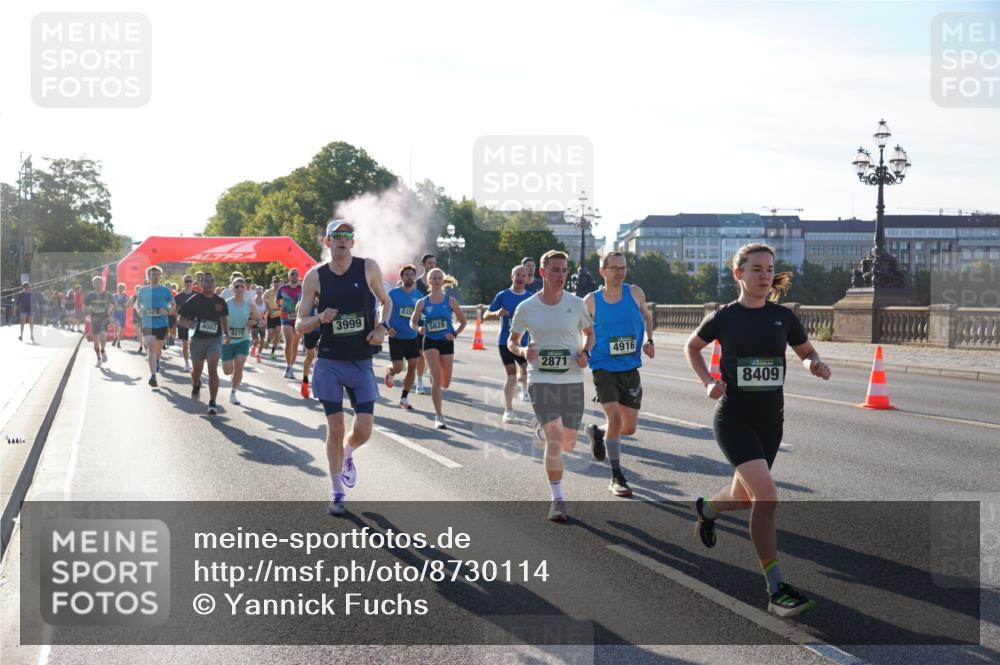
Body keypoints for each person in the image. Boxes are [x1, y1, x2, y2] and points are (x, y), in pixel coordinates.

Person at [684, 242, 831, 618]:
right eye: (756, 269)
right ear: (739, 274)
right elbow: (692, 346)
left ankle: (707, 509)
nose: (764, 276)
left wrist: (815, 363)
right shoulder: (725, 316)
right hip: (733, 418)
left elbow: (806, 352)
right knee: (767, 497)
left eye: (769, 269)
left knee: (746, 497)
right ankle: (776, 588)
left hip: (771, 421)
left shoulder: (783, 316)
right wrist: (707, 381)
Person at [296, 219, 390, 517]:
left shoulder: (368, 267)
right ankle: (337, 492)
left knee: (362, 431)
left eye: (348, 235)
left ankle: (348, 453)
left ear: (353, 241)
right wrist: (320, 317)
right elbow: (300, 323)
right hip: (329, 361)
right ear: (327, 242)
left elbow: (386, 302)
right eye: (337, 235)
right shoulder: (315, 277)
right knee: (335, 428)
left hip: (361, 360)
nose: (342, 240)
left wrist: (382, 328)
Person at [508, 250, 594, 522]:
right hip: (540, 379)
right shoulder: (527, 307)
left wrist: (586, 353)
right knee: (555, 441)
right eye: (555, 270)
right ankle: (557, 500)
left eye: (565, 270)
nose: (561, 275)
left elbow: (590, 334)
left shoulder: (577, 304)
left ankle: (553, 431)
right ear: (543, 273)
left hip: (571, 380)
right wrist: (522, 352)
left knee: (567, 442)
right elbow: (512, 340)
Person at [582, 252, 656, 498]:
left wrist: (649, 340)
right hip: (603, 367)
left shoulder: (635, 292)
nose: (619, 272)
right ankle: (617, 477)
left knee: (628, 428)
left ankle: (597, 432)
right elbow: (581, 330)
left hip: (630, 368)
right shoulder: (591, 301)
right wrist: (584, 351)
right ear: (602, 271)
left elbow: (647, 316)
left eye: (622, 267)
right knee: (615, 420)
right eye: (613, 268)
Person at [409, 268, 467, 429]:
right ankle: (439, 416)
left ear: (443, 281)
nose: (436, 280)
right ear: (429, 281)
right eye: (433, 277)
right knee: (436, 379)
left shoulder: (450, 301)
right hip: (430, 342)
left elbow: (463, 322)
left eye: (439, 278)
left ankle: (434, 377)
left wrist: (454, 334)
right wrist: (418, 328)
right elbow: (412, 322)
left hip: (446, 341)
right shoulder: (423, 302)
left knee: (445, 383)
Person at [484, 265, 533, 423]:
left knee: (526, 371)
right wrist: (496, 313)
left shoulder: (531, 297)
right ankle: (508, 410)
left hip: (524, 343)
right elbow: (485, 315)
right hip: (505, 342)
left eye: (523, 275)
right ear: (512, 277)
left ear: (527, 278)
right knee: (511, 376)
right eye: (517, 275)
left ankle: (524, 389)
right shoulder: (503, 295)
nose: (520, 278)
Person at [177, 272, 230, 415]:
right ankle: (196, 383)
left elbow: (224, 318)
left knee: (212, 369)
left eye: (212, 281)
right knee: (197, 372)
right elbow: (180, 319)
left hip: (214, 339)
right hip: (198, 340)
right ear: (201, 284)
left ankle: (212, 402)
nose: (210, 284)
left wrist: (226, 333)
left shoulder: (220, 301)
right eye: (206, 281)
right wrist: (188, 324)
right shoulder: (195, 300)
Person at [384, 264, 423, 410]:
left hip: (412, 336)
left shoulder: (418, 296)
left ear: (414, 277)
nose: (409, 277)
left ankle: (404, 397)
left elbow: (422, 315)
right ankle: (391, 371)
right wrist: (387, 327)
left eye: (412, 274)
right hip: (396, 336)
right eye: (406, 274)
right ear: (402, 277)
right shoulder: (393, 294)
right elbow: (384, 310)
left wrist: (423, 326)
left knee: (413, 365)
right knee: (399, 368)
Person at [130, 267, 174, 387]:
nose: (155, 276)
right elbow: (137, 303)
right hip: (147, 323)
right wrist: (139, 309)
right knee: (151, 347)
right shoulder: (143, 290)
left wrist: (166, 311)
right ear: (147, 276)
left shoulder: (165, 290)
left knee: (158, 349)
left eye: (157, 274)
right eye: (152, 274)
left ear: (160, 276)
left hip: (161, 323)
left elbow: (173, 305)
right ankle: (153, 376)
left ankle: (158, 360)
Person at [222, 277, 259, 405]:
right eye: (236, 286)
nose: (239, 289)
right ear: (232, 289)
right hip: (227, 341)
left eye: (242, 286)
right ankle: (232, 373)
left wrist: (254, 325)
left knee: (239, 364)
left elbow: (260, 320)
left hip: (243, 339)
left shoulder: (250, 306)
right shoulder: (226, 304)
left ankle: (233, 392)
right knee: (227, 371)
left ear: (245, 289)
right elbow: (220, 320)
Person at [412, 253, 437, 394]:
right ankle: (420, 381)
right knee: (421, 355)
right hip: (421, 325)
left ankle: (433, 372)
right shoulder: (417, 284)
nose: (432, 265)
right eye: (429, 263)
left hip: (436, 325)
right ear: (423, 265)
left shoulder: (439, 282)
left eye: (434, 263)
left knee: (437, 353)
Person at [277, 269, 303, 379]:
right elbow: (277, 300)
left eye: (296, 274)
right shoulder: (283, 288)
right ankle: (288, 366)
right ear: (289, 277)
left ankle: (291, 367)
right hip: (286, 317)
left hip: (297, 318)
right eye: (292, 274)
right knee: (289, 341)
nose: (294, 276)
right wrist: (280, 307)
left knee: (295, 345)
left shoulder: (302, 289)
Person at [84, 275, 114, 367]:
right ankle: (99, 359)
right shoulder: (91, 295)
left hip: (104, 319)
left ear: (102, 284)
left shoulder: (107, 294)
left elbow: (112, 304)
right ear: (93, 284)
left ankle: (103, 350)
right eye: (96, 283)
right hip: (94, 320)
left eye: (100, 283)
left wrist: (110, 310)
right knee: (96, 340)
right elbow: (84, 306)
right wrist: (88, 309)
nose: (98, 285)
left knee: (103, 337)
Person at [174, 274, 197, 372]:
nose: (188, 283)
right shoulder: (179, 296)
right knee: (185, 345)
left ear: (192, 283)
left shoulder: (197, 295)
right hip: (183, 323)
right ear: (183, 283)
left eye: (190, 281)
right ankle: (187, 363)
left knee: (194, 345)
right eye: (186, 281)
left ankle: (195, 363)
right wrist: (178, 321)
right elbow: (175, 311)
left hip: (194, 324)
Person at [300, 295, 320, 398]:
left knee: (323, 358)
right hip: (311, 331)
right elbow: (298, 309)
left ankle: (321, 383)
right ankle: (305, 381)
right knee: (310, 357)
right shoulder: (308, 295)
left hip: (325, 331)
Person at [263, 276, 283, 357]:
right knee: (270, 333)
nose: (276, 283)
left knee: (277, 333)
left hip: (279, 315)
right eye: (275, 282)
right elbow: (264, 302)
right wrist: (268, 310)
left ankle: (272, 352)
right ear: (272, 283)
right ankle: (267, 341)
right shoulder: (268, 292)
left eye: (277, 281)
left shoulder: (282, 291)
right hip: (270, 314)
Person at [250, 285, 268, 361]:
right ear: (256, 292)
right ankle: (254, 347)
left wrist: (265, 320)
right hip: (254, 321)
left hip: (262, 321)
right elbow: (250, 311)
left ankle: (259, 354)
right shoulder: (252, 301)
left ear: (262, 292)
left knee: (262, 339)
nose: (259, 292)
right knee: (256, 340)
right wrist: (253, 319)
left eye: (260, 291)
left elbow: (267, 311)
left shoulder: (265, 301)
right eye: (258, 291)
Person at [112, 283, 129, 348]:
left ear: (124, 289)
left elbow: (128, 305)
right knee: (116, 327)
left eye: (121, 288)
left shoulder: (126, 296)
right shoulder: (114, 295)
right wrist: (110, 311)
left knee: (121, 328)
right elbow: (112, 304)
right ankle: (115, 338)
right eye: (119, 288)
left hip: (122, 313)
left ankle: (118, 341)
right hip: (116, 313)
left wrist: (125, 304)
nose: (120, 289)